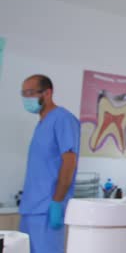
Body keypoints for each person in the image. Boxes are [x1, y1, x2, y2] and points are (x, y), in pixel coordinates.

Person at [19, 75, 80, 253]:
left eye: (30, 93)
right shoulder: (42, 124)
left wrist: (57, 202)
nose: (26, 98)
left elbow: (69, 163)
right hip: (30, 208)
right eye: (23, 93)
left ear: (47, 93)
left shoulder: (63, 119)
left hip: (47, 209)